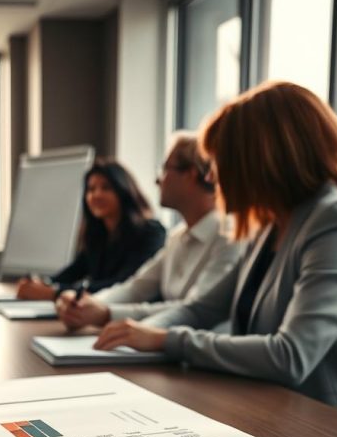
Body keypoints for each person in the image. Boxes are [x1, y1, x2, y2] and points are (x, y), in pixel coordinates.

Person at [94, 81, 337, 409]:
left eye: (219, 160)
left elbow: (290, 356)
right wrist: (134, 335)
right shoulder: (269, 228)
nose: (213, 176)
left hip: (323, 426)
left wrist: (166, 340)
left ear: (260, 160)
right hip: (262, 406)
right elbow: (203, 308)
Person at [56, 133, 242, 329]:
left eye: (164, 169)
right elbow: (136, 287)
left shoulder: (228, 235)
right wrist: (85, 304)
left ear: (191, 174)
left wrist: (107, 313)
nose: (157, 180)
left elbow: (194, 310)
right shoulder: (177, 237)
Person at [15, 160, 166, 300]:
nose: (96, 195)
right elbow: (73, 271)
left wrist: (55, 292)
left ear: (124, 191)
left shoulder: (150, 232)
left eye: (106, 188)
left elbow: (125, 286)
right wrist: (41, 283)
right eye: (91, 189)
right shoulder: (97, 234)